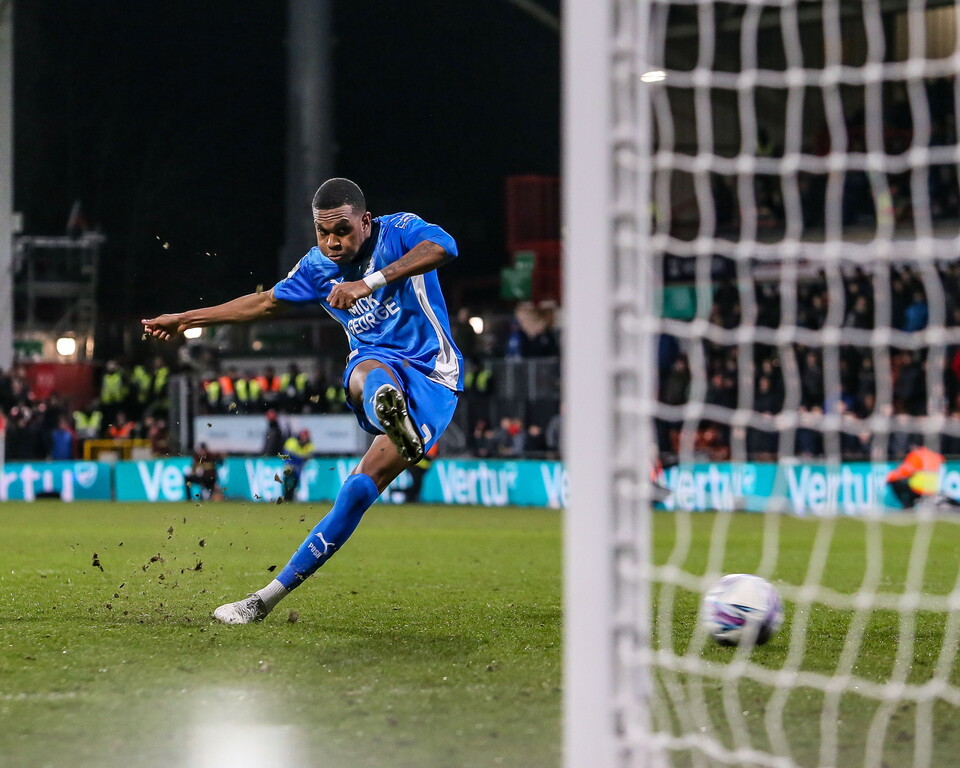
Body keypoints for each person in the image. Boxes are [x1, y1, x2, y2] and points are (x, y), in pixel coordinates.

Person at [141, 177, 463, 624]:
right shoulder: (317, 267)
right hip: (375, 363)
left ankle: (394, 413)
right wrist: (186, 318)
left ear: (365, 221)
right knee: (365, 386)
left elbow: (444, 247)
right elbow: (264, 303)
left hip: (434, 375)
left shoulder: (400, 230)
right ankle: (263, 601)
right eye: (322, 232)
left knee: (357, 485)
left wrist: (369, 283)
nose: (331, 242)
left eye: (342, 230)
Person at [886, 442, 960, 510]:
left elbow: (904, 471)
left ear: (914, 446)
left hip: (918, 489)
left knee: (895, 481)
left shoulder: (916, 455)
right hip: (934, 489)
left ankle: (908, 505)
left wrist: (890, 476)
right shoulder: (935, 455)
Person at [281, 429, 315, 501]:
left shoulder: (309, 445)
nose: (304, 438)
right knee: (289, 482)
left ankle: (290, 498)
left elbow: (311, 455)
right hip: (289, 466)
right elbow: (287, 454)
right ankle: (287, 497)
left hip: (298, 467)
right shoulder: (292, 442)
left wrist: (300, 459)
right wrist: (300, 458)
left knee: (295, 483)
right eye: (303, 436)